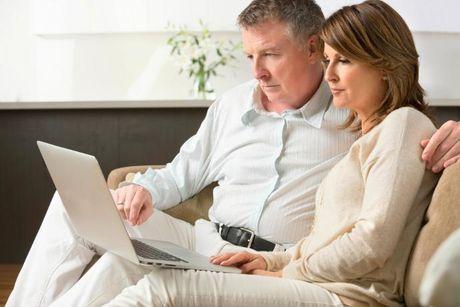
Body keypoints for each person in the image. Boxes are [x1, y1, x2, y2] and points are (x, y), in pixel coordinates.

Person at [6, 0, 460, 306]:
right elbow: (180, 173)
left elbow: (404, 137)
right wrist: (139, 190)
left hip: (280, 261)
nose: (258, 71)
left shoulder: (353, 115)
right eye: (249, 57)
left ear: (312, 49)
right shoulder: (234, 104)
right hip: (204, 239)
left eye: (270, 54)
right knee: (76, 209)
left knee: (130, 271)